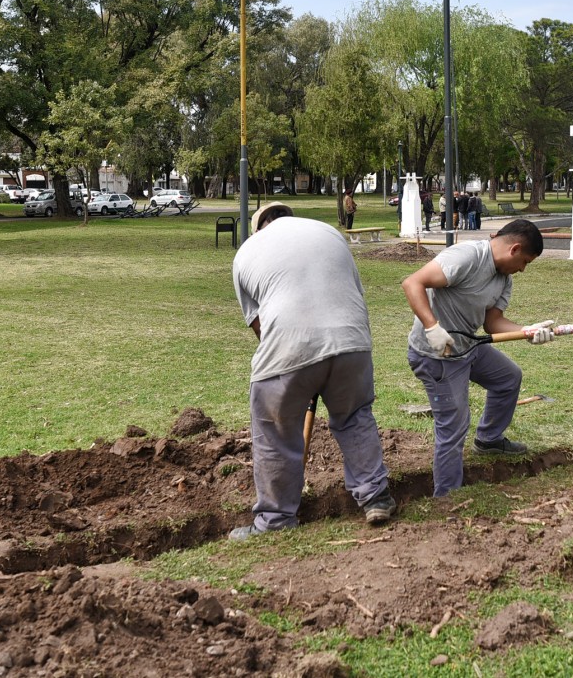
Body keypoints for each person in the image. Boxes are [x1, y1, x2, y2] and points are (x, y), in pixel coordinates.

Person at [229, 201, 395, 540]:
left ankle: (275, 521)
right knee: (354, 416)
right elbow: (352, 293)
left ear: (259, 227)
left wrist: (299, 378)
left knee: (274, 430)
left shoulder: (247, 251)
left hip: (290, 345)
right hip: (352, 341)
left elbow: (260, 327)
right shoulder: (330, 233)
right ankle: (376, 497)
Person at [401, 219, 556, 497]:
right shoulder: (467, 257)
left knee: (508, 377)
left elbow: (492, 323)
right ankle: (447, 496)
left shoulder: (503, 279)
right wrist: (432, 327)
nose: (522, 269)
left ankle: (488, 439)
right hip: (437, 355)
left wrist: (527, 331)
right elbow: (413, 282)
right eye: (525, 262)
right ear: (514, 249)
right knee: (454, 423)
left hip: (467, 347)